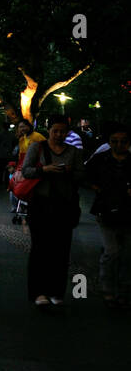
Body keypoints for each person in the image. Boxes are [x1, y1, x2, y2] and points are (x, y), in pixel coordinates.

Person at [20, 115, 84, 305]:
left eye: (62, 131)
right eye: (55, 130)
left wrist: (70, 171)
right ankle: (38, 293)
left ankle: (56, 292)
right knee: (40, 249)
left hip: (64, 205)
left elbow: (81, 175)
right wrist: (45, 170)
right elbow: (26, 171)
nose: (58, 135)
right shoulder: (37, 147)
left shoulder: (74, 151)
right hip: (41, 203)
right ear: (49, 130)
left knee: (61, 250)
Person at [86, 124, 131, 307]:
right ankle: (108, 289)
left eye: (123, 142)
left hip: (128, 211)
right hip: (106, 209)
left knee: (127, 254)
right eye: (115, 141)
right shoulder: (101, 159)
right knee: (111, 251)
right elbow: (87, 176)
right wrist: (100, 190)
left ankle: (123, 290)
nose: (119, 145)